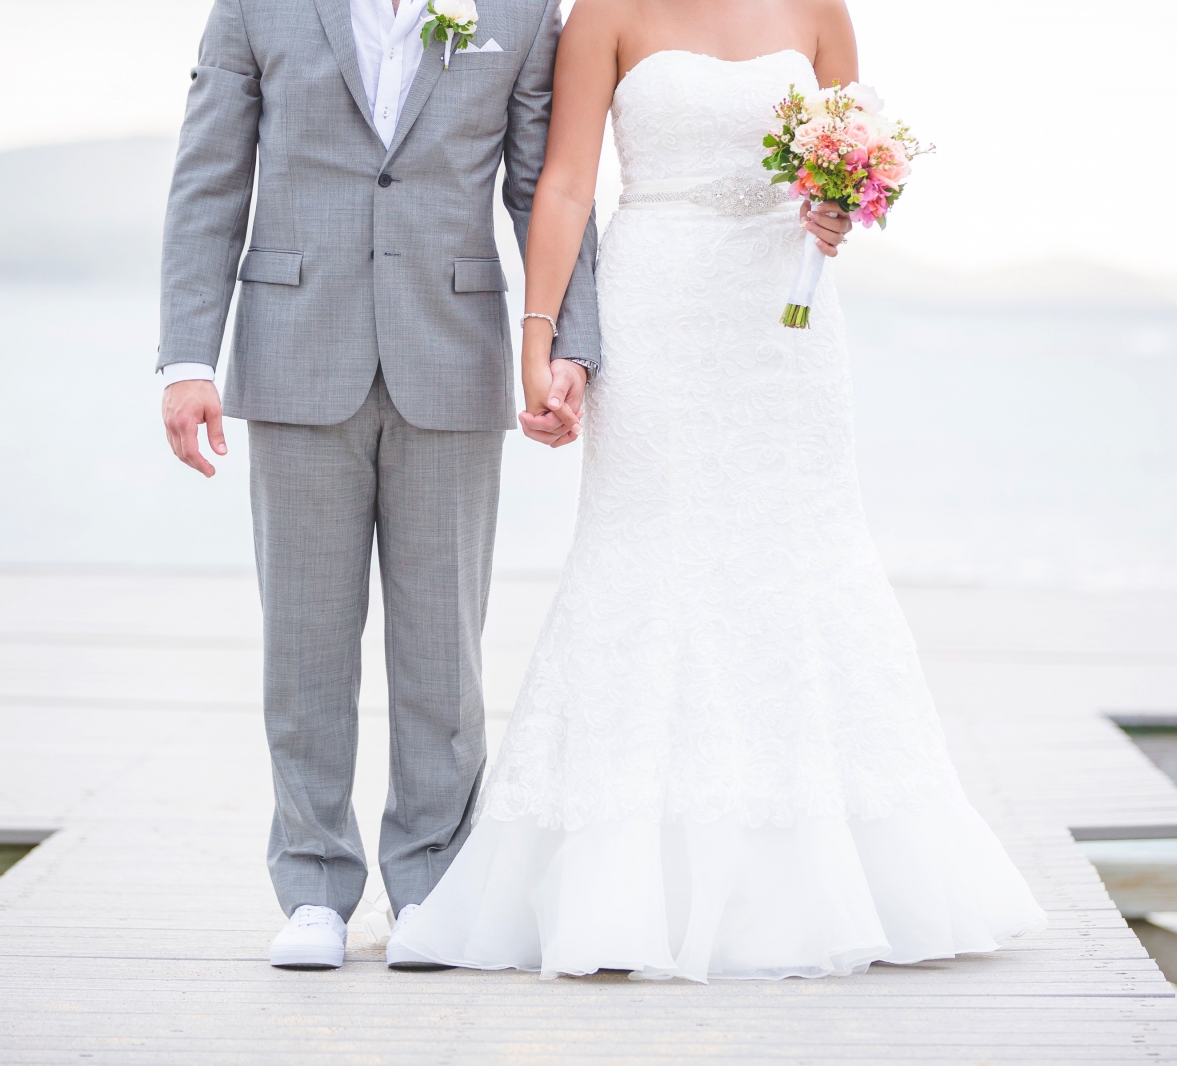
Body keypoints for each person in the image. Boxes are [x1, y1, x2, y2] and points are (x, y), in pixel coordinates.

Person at [383, 0, 1048, 979]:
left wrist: (837, 210)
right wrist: (542, 339)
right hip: (655, 309)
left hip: (782, 326)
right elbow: (564, 186)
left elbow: (848, 171)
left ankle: (815, 875)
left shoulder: (817, 10)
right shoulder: (603, 13)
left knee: (798, 554)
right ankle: (623, 879)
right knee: (644, 553)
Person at [158, 0, 603, 969]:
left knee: (444, 652)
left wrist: (570, 341)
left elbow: (541, 188)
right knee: (305, 643)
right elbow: (209, 175)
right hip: (292, 352)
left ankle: (430, 884)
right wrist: (186, 358)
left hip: (449, 351)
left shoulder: (522, 13)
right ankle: (313, 882)